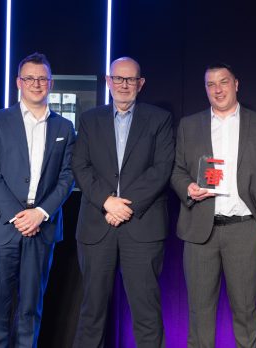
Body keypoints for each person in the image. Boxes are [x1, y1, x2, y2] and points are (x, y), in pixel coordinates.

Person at [0, 52, 75, 347]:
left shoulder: (64, 127)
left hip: (41, 228)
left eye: (42, 78)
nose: (36, 84)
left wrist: (40, 213)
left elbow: (68, 175)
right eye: (29, 78)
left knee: (31, 311)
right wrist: (19, 216)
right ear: (19, 82)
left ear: (50, 83)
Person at [72, 57, 175, 347]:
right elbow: (80, 166)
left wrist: (124, 206)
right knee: (92, 312)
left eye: (130, 79)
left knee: (146, 312)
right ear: (108, 82)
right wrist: (107, 202)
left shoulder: (159, 119)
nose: (124, 85)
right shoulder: (90, 120)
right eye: (118, 78)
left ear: (140, 84)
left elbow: (162, 168)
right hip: (97, 225)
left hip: (142, 226)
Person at [170, 62, 256, 348]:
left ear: (236, 84)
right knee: (200, 315)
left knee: (245, 313)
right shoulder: (189, 125)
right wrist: (187, 188)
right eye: (211, 84)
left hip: (245, 231)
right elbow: (177, 170)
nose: (217, 89)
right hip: (199, 232)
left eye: (223, 82)